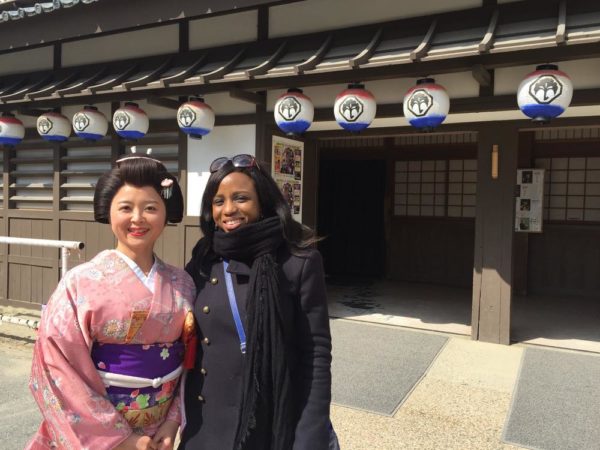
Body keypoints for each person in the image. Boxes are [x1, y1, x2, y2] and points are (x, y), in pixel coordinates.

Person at [27, 153, 196, 450]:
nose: (138, 218)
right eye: (126, 208)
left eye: (151, 208)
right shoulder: (80, 282)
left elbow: (190, 360)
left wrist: (172, 422)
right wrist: (122, 439)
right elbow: (56, 366)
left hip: (158, 434)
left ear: (166, 214)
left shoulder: (183, 283)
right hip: (100, 435)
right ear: (108, 211)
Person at [180, 154, 333, 450]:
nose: (229, 209)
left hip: (264, 425)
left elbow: (315, 354)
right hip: (203, 426)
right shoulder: (203, 258)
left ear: (262, 201)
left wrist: (309, 438)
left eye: (241, 198)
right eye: (218, 201)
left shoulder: (296, 262)